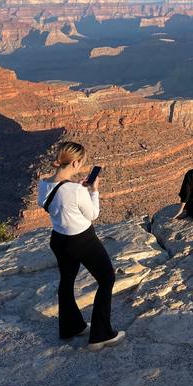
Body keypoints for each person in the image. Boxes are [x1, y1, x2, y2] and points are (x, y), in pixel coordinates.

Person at [37, 141, 125, 351]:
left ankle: (70, 327)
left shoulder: (43, 185)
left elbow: (56, 205)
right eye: (82, 163)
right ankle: (100, 336)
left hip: (59, 240)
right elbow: (93, 214)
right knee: (106, 279)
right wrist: (93, 191)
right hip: (83, 241)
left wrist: (81, 191)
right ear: (75, 162)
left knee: (66, 282)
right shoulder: (76, 190)